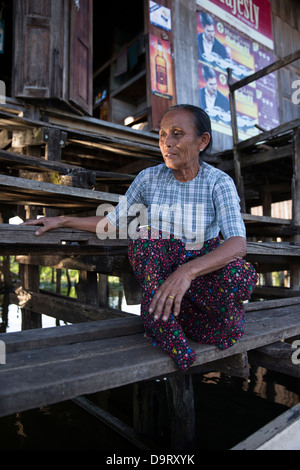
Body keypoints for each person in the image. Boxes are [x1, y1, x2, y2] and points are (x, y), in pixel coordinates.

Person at [23, 105, 257, 372]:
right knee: (147, 238)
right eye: (162, 135)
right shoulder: (148, 178)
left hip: (198, 267)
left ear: (202, 141)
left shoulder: (219, 182)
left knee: (239, 277)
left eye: (177, 134)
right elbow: (111, 224)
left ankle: (179, 316)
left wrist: (187, 272)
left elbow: (238, 244)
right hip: (160, 265)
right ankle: (162, 325)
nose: (167, 143)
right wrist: (64, 220)